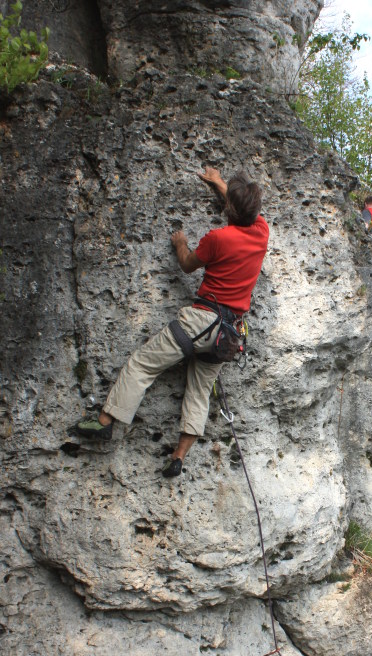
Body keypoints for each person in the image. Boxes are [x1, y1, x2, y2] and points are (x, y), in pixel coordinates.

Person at [75, 167, 269, 478]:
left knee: (143, 364)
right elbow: (243, 210)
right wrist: (220, 184)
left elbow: (188, 265)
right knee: (199, 391)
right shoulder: (261, 233)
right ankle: (178, 456)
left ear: (229, 209)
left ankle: (104, 423)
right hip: (229, 334)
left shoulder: (218, 238)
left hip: (200, 321)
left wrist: (181, 242)